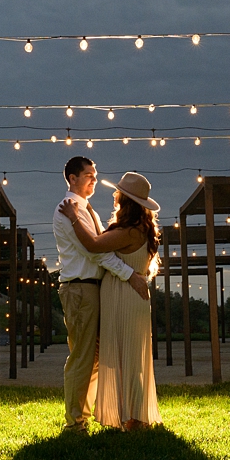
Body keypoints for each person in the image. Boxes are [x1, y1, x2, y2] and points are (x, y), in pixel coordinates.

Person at [59, 171, 161, 430]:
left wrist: (73, 219)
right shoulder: (139, 228)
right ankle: (129, 415)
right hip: (127, 295)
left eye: (119, 192)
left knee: (125, 356)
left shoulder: (129, 231)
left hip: (124, 297)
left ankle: (134, 418)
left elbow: (93, 245)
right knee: (126, 356)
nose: (114, 194)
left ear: (126, 201)